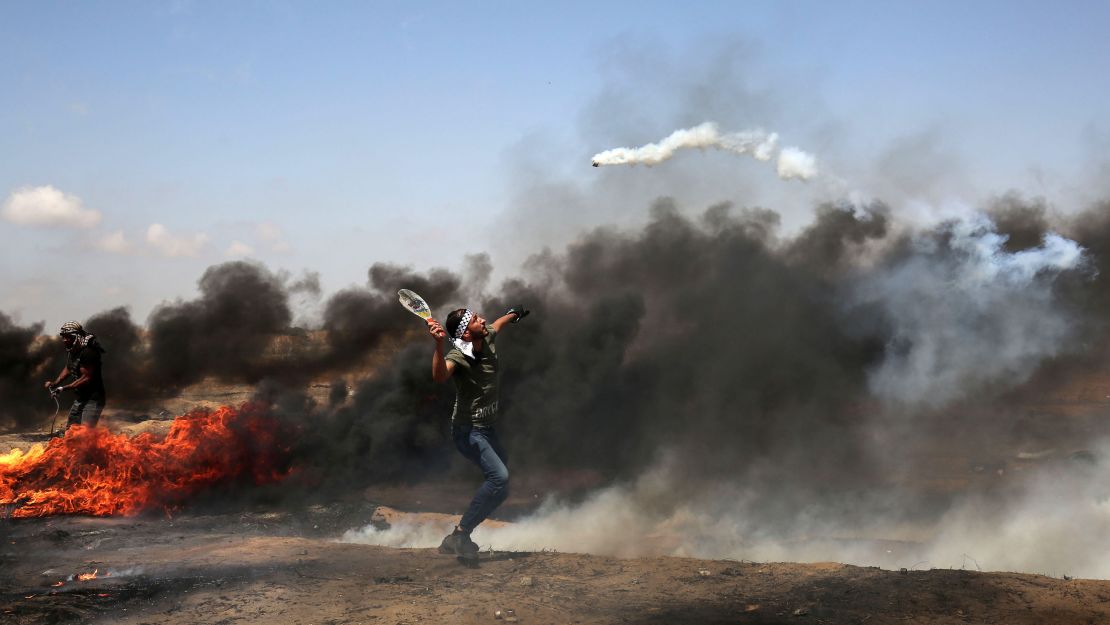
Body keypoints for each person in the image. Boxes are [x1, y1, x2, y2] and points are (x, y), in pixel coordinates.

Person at [427, 304, 529, 559]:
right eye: (475, 320)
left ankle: (460, 536)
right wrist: (438, 346)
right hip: (468, 431)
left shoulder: (487, 335)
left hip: (488, 428)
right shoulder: (458, 355)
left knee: (502, 488)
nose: (482, 321)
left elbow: (498, 323)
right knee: (499, 478)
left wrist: (513, 314)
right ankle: (460, 534)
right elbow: (440, 377)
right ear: (465, 334)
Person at [43, 321, 107, 432]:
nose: (65, 340)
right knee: (72, 431)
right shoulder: (73, 350)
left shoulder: (89, 352)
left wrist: (63, 388)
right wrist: (55, 383)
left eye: (69, 337)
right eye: (63, 337)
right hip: (81, 398)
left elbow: (86, 378)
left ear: (77, 336)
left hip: (93, 399)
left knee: (85, 433)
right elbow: (68, 368)